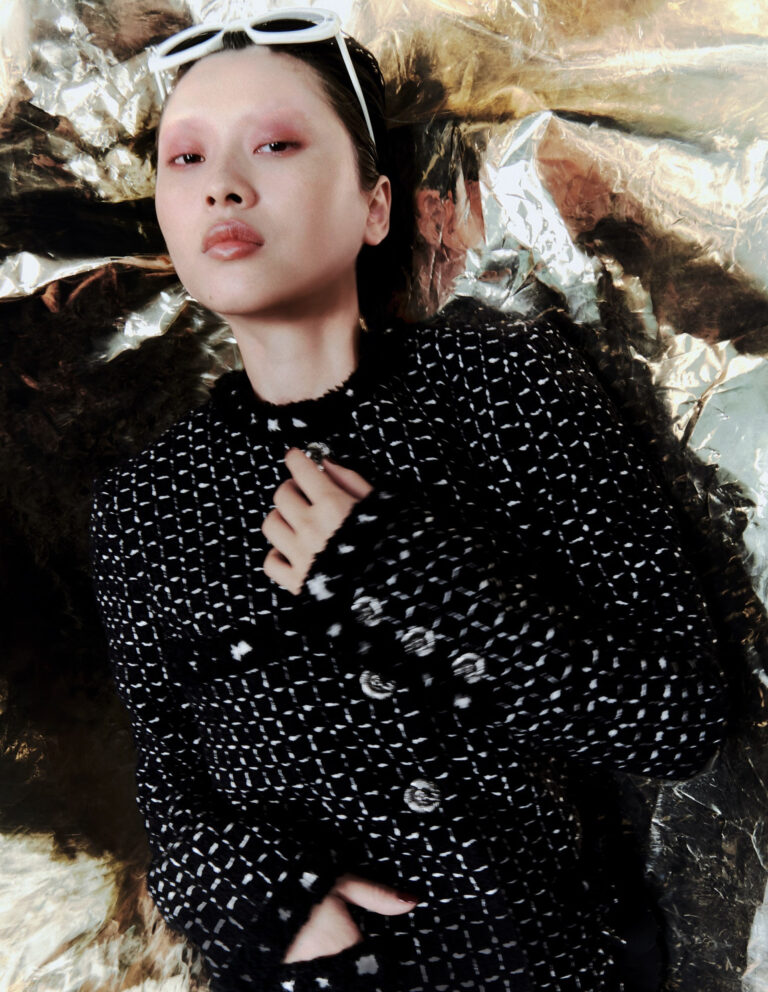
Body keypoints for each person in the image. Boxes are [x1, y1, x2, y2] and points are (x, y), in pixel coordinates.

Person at [89, 11, 732, 992]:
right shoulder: (145, 503)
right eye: (187, 157)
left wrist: (400, 578)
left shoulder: (498, 386)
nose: (223, 184)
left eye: (276, 143)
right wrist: (268, 899)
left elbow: (677, 714)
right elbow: (169, 788)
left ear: (374, 206)